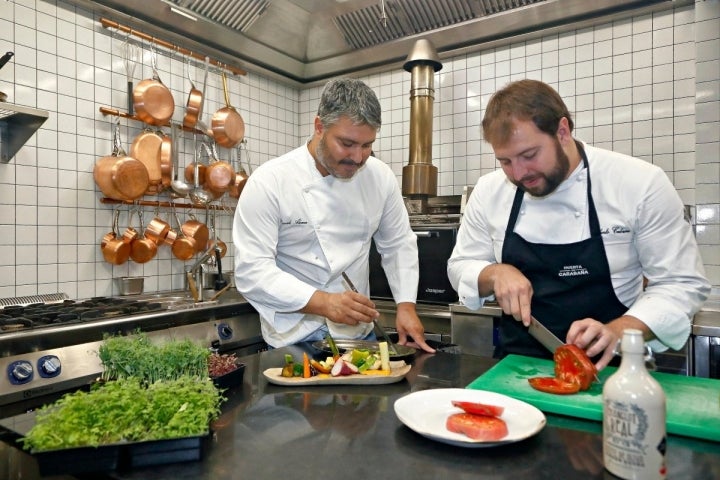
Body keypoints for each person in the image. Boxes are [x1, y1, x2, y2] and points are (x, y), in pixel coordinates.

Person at [447, 79, 710, 370]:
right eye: (505, 161)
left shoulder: (639, 183)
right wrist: (494, 273)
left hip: (614, 369)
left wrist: (618, 330)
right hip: (517, 368)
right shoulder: (489, 191)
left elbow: (680, 283)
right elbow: (460, 265)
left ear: (563, 131)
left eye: (529, 155)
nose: (519, 173)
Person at [232, 78, 434, 352]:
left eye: (367, 145)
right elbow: (252, 272)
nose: (358, 157)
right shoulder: (270, 181)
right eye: (347, 143)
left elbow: (398, 244)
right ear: (319, 127)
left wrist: (406, 305)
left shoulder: (380, 177)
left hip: (359, 336)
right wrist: (324, 303)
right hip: (293, 337)